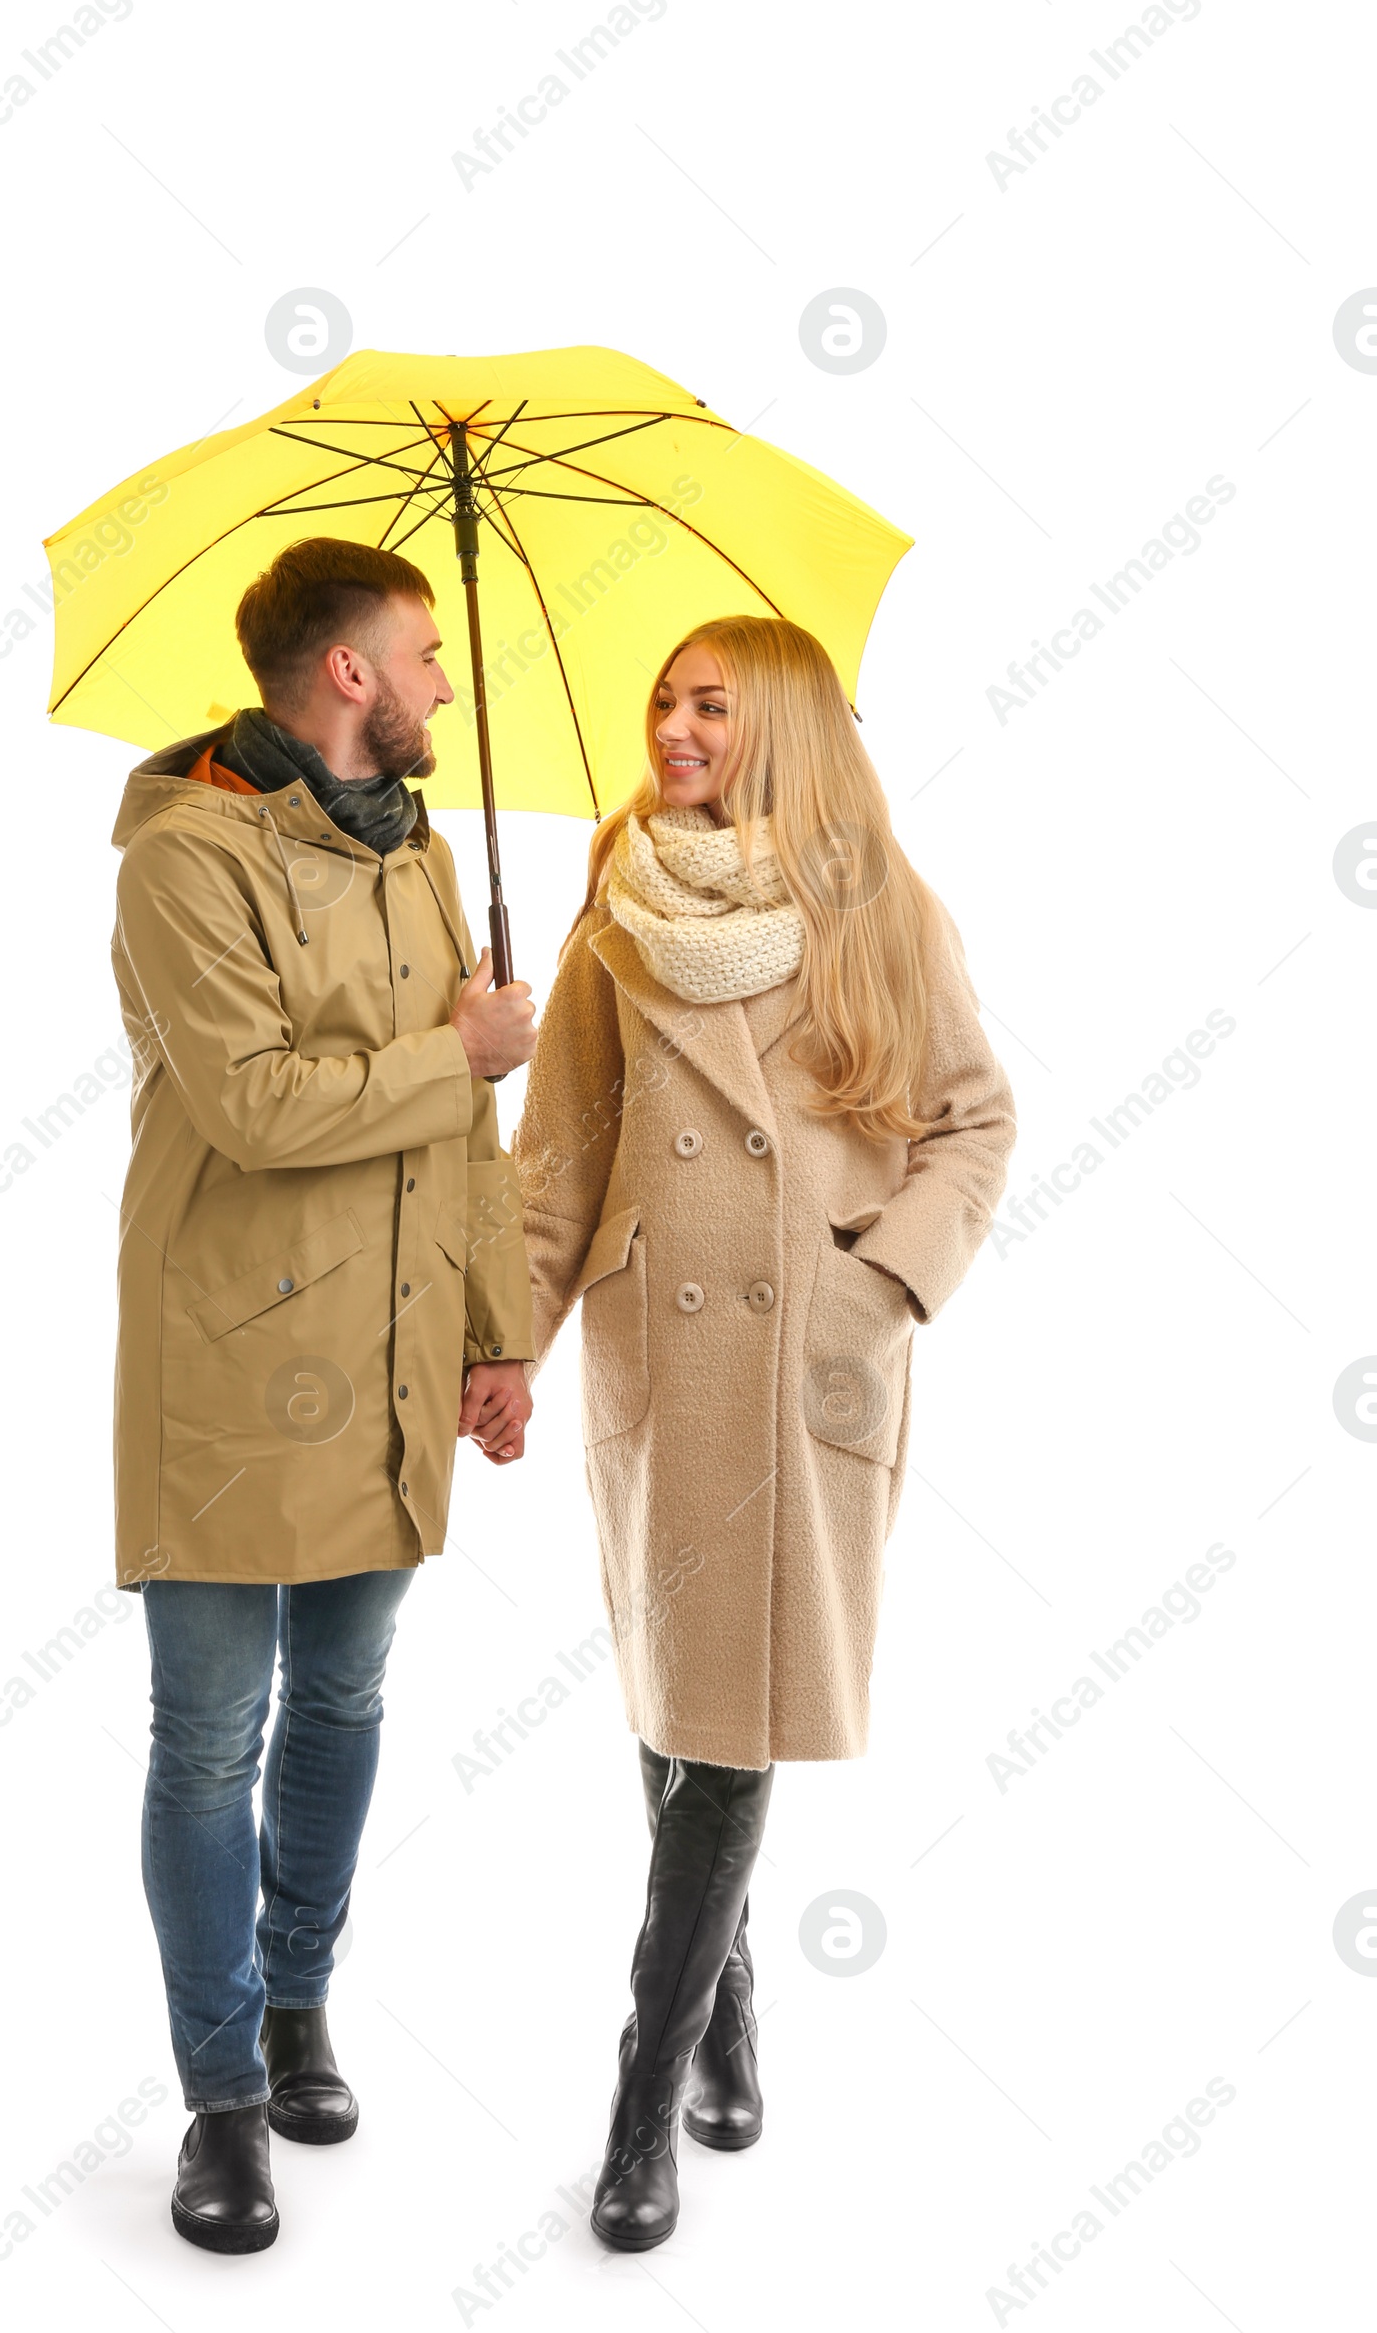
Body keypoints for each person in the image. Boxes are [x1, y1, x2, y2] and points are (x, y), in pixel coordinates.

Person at [511, 615, 1016, 2251]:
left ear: (781, 723)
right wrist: (501, 1346)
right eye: (661, 699)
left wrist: (883, 1285)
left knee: (727, 1725)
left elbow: (974, 1119)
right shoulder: (612, 927)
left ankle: (639, 2104)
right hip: (658, 1361)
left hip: (811, 1367)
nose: (670, 726)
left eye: (709, 704)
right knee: (675, 1706)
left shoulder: (880, 911)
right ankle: (725, 2007)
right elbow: (556, 1175)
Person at [109, 537, 537, 2253]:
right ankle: (220, 2094)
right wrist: (466, 1049)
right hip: (228, 1354)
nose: (445, 683)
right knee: (212, 1738)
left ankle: (298, 2008)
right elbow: (259, 1107)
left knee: (344, 1707)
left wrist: (496, 1328)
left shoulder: (424, 847)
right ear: (345, 674)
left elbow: (468, 1125)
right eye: (423, 654)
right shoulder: (182, 859)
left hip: (388, 1351)